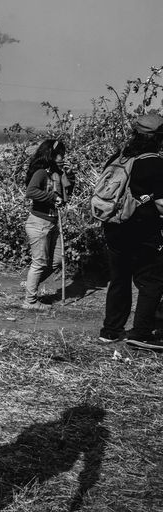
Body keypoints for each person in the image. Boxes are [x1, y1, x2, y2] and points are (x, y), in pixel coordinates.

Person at [98, 114, 163, 349]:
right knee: (152, 281)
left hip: (114, 229)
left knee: (119, 279)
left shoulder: (119, 158)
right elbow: (161, 204)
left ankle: (110, 330)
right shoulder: (155, 163)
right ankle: (141, 333)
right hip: (143, 232)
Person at [22, 140, 75, 310]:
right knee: (39, 262)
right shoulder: (41, 172)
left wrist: (70, 177)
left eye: (63, 154)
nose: (62, 158)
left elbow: (65, 194)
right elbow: (30, 192)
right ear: (50, 155)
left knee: (57, 261)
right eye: (59, 154)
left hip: (52, 222)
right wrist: (52, 197)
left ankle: (32, 283)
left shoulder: (57, 173)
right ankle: (30, 301)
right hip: (39, 223)